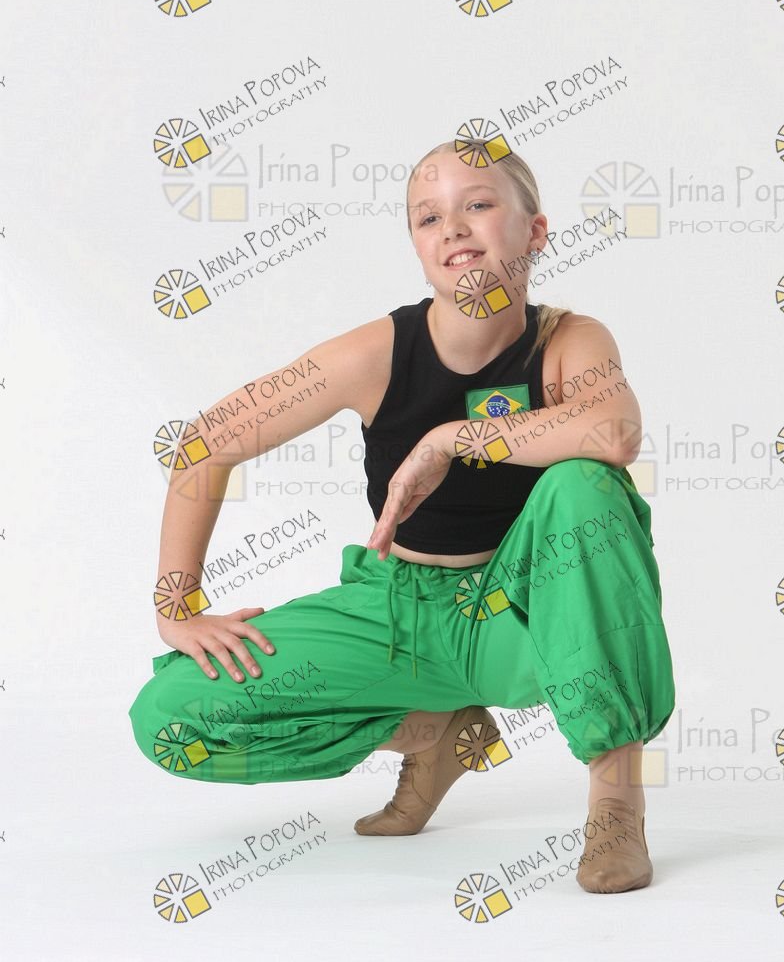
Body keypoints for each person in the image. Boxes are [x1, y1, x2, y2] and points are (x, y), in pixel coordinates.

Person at [128, 138, 676, 894]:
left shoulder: (567, 342)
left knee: (587, 483)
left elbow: (614, 434)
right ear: (419, 249)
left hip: (522, 619)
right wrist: (176, 608)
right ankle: (431, 734)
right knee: (169, 719)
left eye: (478, 204)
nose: (454, 228)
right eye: (429, 217)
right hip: (394, 612)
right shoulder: (377, 353)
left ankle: (616, 801)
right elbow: (204, 444)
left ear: (535, 231)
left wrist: (450, 439)